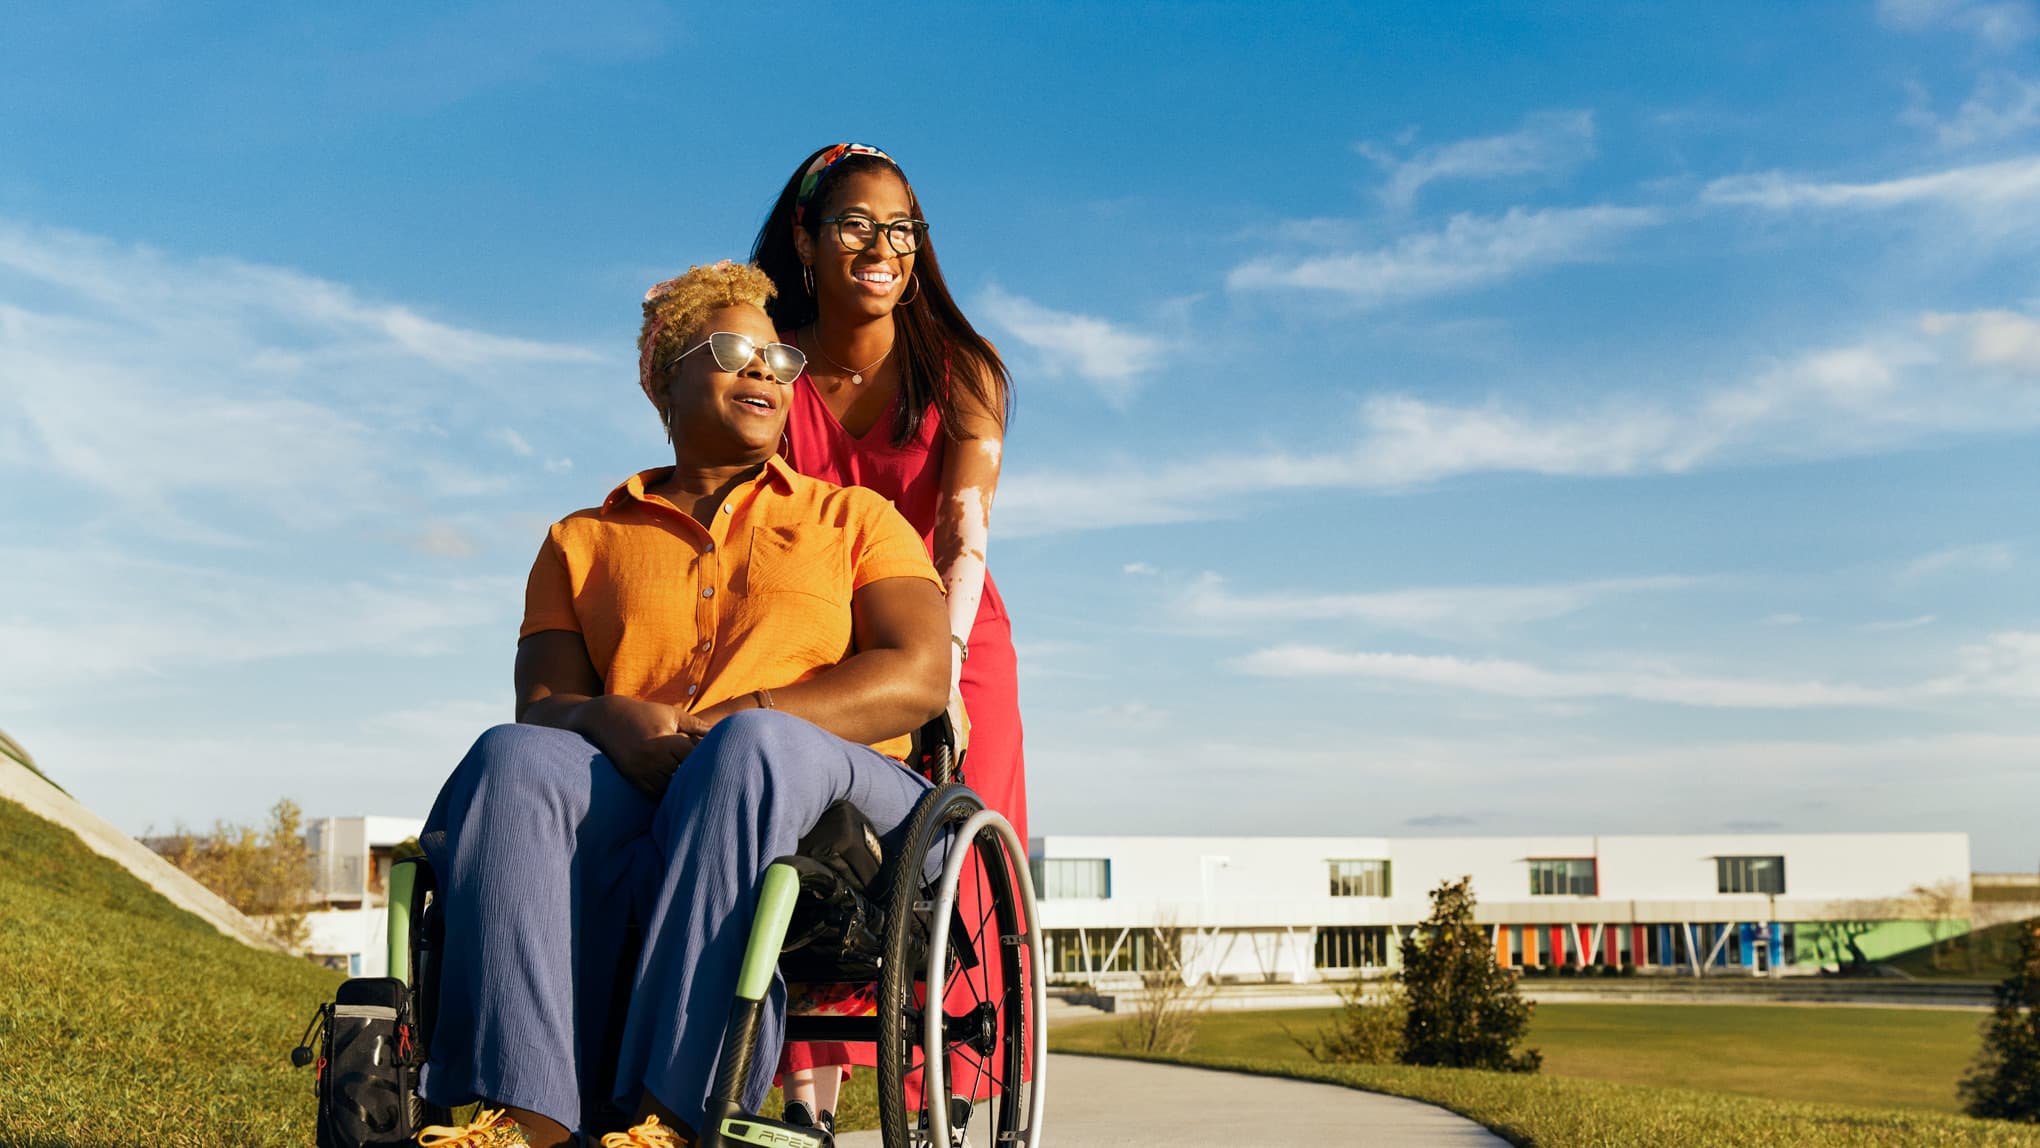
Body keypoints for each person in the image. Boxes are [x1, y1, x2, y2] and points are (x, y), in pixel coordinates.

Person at [412, 261, 951, 1148]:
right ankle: (531, 1118)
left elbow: (919, 673)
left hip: (849, 805)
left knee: (755, 748)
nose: (767, 371)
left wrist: (747, 714)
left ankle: (674, 1117)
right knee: (509, 756)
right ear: (666, 374)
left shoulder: (855, 518)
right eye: (735, 350)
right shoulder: (580, 540)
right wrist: (606, 720)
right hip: (651, 784)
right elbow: (543, 701)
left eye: (780, 358)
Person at [749, 142, 1025, 1140]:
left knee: (950, 884)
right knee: (801, 859)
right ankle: (800, 1107)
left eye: (901, 227)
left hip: (949, 631)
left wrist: (939, 663)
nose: (883, 244)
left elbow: (963, 534)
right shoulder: (768, 361)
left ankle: (952, 1098)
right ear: (807, 240)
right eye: (857, 224)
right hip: (817, 640)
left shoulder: (962, 369)